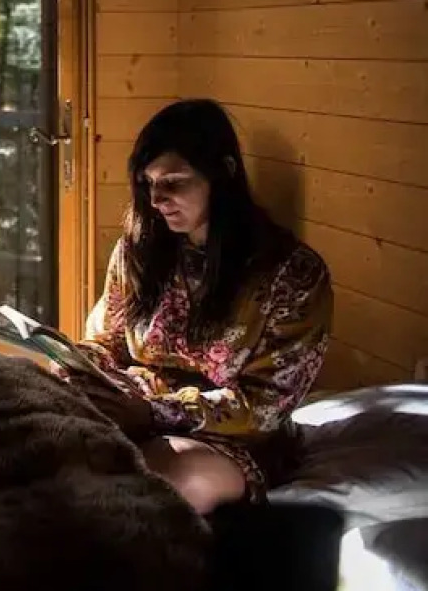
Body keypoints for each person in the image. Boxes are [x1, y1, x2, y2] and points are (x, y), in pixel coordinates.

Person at [69, 98, 332, 515]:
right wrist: (75, 367)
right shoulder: (139, 251)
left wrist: (152, 412)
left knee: (157, 477)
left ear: (223, 172)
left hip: (230, 437)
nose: (157, 199)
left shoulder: (292, 274)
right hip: (133, 406)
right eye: (148, 183)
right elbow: (108, 339)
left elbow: (265, 406)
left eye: (173, 182)